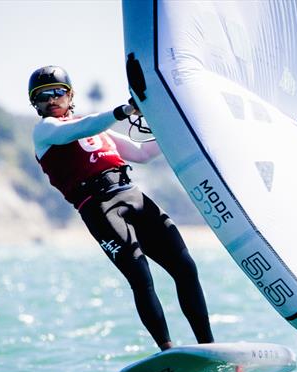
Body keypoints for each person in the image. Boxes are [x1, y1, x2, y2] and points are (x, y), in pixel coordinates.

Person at [29, 65, 214, 351]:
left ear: (70, 95)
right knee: (141, 276)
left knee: (185, 266)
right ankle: (168, 352)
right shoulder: (46, 130)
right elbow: (80, 128)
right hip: (99, 207)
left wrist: (181, 129)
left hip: (133, 194)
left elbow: (143, 153)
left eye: (58, 93)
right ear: (35, 104)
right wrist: (125, 111)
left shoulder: (96, 129)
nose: (52, 100)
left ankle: (208, 346)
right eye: (43, 96)